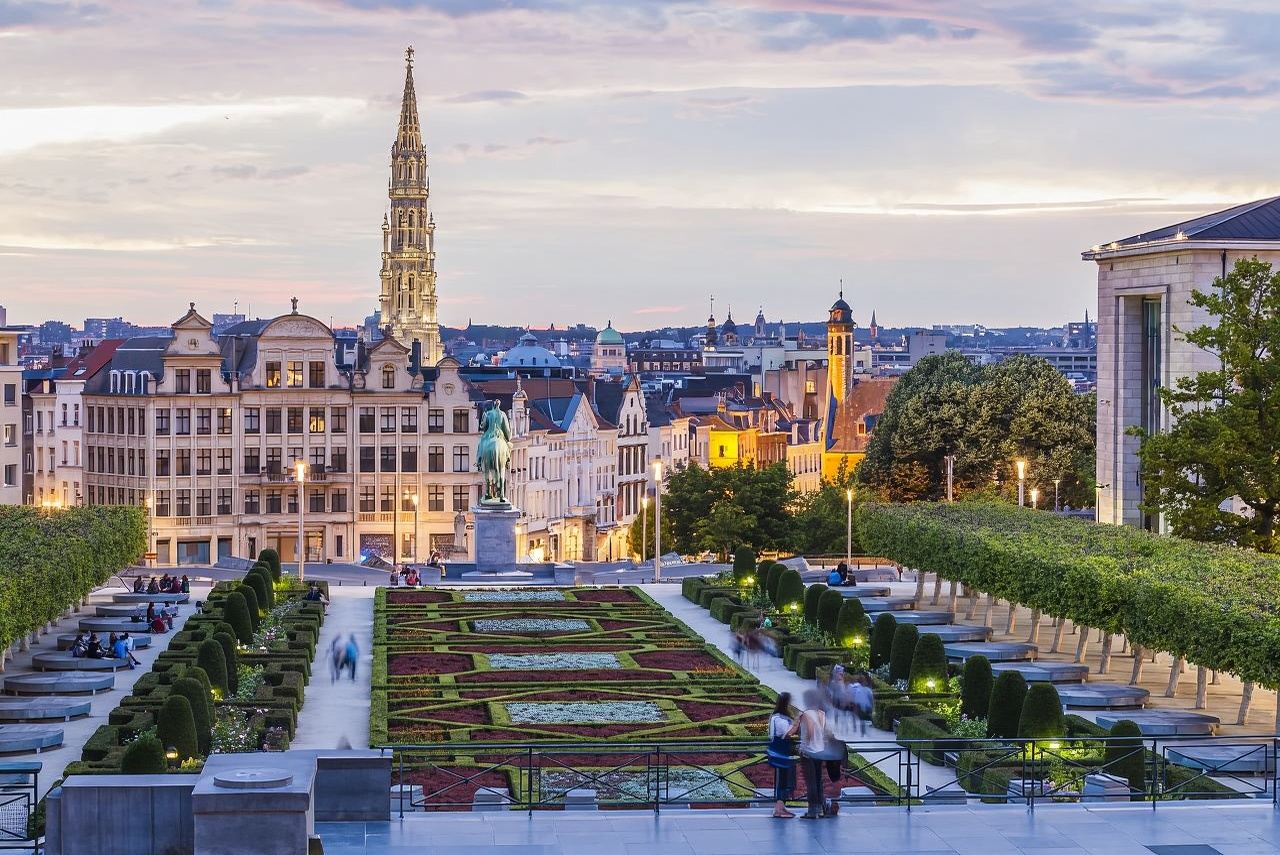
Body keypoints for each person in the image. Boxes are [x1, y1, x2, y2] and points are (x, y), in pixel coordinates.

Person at [797, 689, 835, 819]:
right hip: (820, 751)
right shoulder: (821, 714)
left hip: (809, 752)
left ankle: (813, 810)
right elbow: (826, 733)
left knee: (811, 781)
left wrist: (804, 747)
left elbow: (810, 732)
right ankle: (820, 807)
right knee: (818, 780)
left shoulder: (807, 714)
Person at [767, 692, 798, 819]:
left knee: (784, 778)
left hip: (779, 751)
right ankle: (779, 808)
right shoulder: (780, 719)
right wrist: (797, 723)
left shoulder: (775, 717)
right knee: (783, 779)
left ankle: (781, 807)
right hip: (782, 752)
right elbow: (787, 734)